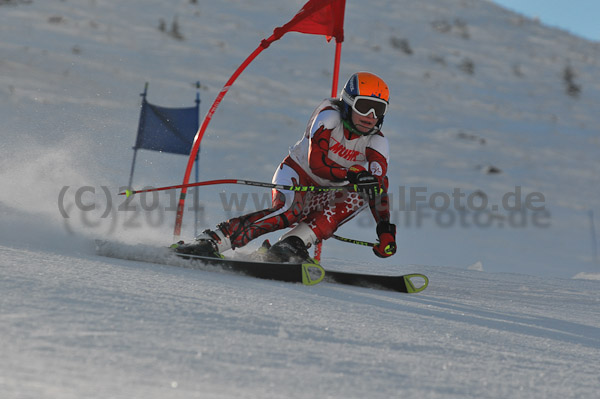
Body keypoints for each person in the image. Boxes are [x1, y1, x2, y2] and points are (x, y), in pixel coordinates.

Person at [175, 71, 396, 262]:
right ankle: (213, 240)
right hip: (299, 174)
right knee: (288, 213)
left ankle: (292, 244)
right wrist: (351, 173)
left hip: (329, 191)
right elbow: (316, 165)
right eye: (364, 106)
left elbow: (377, 187)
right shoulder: (329, 117)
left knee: (370, 186)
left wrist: (384, 229)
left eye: (378, 109)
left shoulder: (377, 142)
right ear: (348, 103)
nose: (371, 116)